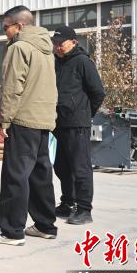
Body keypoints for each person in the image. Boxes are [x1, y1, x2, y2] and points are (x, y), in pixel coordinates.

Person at [0, 6, 58, 246]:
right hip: (42, 119)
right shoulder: (46, 49)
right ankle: (45, 225)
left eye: (6, 27)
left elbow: (11, 87)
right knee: (40, 174)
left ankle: (11, 231)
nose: (4, 32)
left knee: (15, 176)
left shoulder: (19, 48)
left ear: (19, 26)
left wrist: (4, 120)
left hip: (22, 119)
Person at [51, 25, 105, 225]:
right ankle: (68, 203)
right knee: (62, 167)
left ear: (73, 42)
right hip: (58, 123)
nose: (57, 47)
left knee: (80, 168)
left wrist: (84, 114)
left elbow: (98, 93)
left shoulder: (83, 62)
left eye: (61, 44)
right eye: (55, 44)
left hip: (77, 124)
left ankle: (84, 209)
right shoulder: (56, 62)